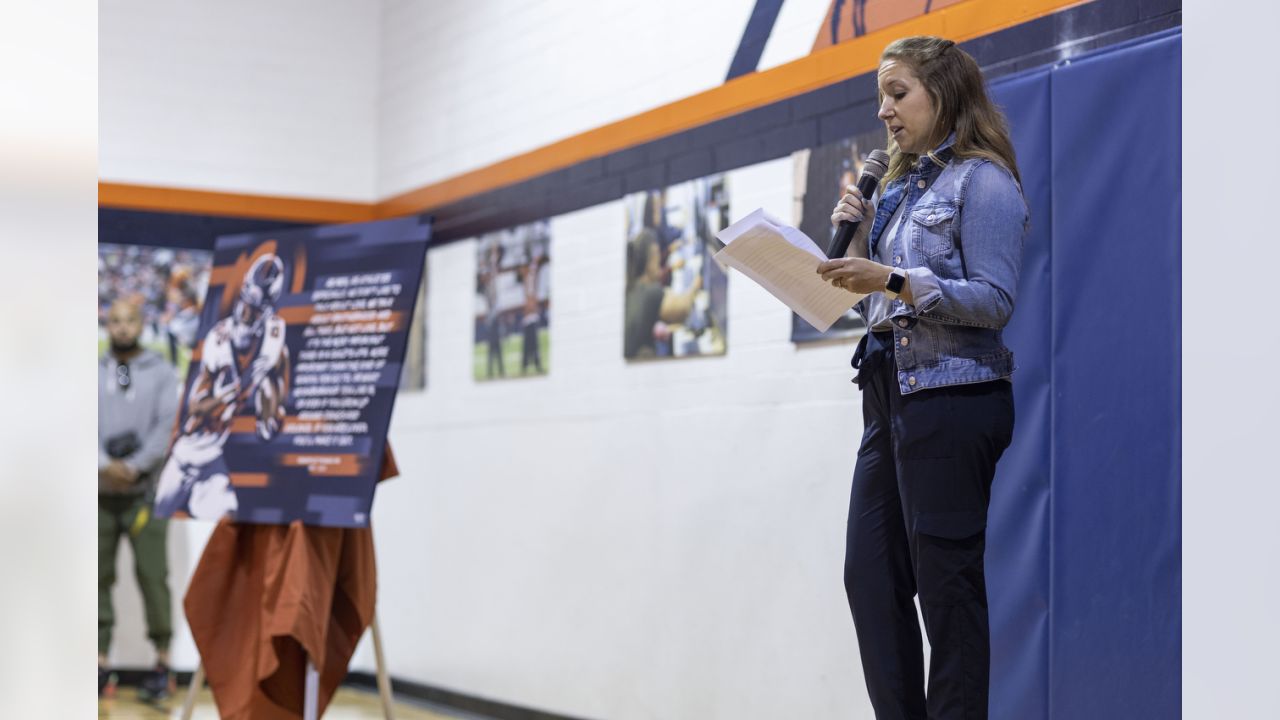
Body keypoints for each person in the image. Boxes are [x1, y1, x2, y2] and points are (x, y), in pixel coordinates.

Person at [817, 36, 1027, 719]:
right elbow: (883, 298)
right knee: (870, 580)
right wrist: (855, 242)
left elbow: (995, 299)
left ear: (944, 94)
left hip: (953, 396)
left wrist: (895, 278)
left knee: (947, 593)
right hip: (887, 395)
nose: (884, 111)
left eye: (898, 93)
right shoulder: (902, 187)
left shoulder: (983, 181)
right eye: (882, 96)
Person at [154, 252, 290, 520]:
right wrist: (229, 395)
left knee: (228, 520)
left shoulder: (273, 337)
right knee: (154, 517)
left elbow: (274, 372)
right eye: (245, 302)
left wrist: (270, 411)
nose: (246, 312)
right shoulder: (219, 342)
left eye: (255, 308)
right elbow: (196, 407)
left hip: (213, 460)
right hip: (184, 457)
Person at [98, 299, 179, 699]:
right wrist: (101, 465)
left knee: (152, 576)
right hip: (97, 493)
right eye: (115, 321)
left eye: (130, 321)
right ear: (106, 324)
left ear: (141, 324)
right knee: (94, 578)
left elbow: (167, 426)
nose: (123, 328)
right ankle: (98, 664)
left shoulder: (162, 372)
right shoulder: (90, 371)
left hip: (145, 493)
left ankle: (162, 664)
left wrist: (133, 466)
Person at [623, 228, 702, 359]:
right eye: (657, 256)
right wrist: (695, 286)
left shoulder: (632, 287)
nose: (659, 262)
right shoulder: (650, 292)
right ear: (651, 258)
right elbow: (682, 309)